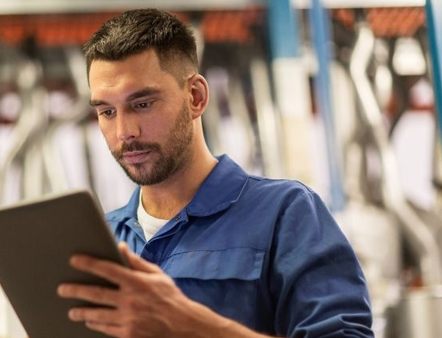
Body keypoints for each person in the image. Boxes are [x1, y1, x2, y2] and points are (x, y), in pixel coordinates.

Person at [57, 8, 374, 338]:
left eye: (143, 104)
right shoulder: (100, 241)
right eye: (107, 111)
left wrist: (189, 326)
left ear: (195, 97)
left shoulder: (285, 213)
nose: (124, 131)